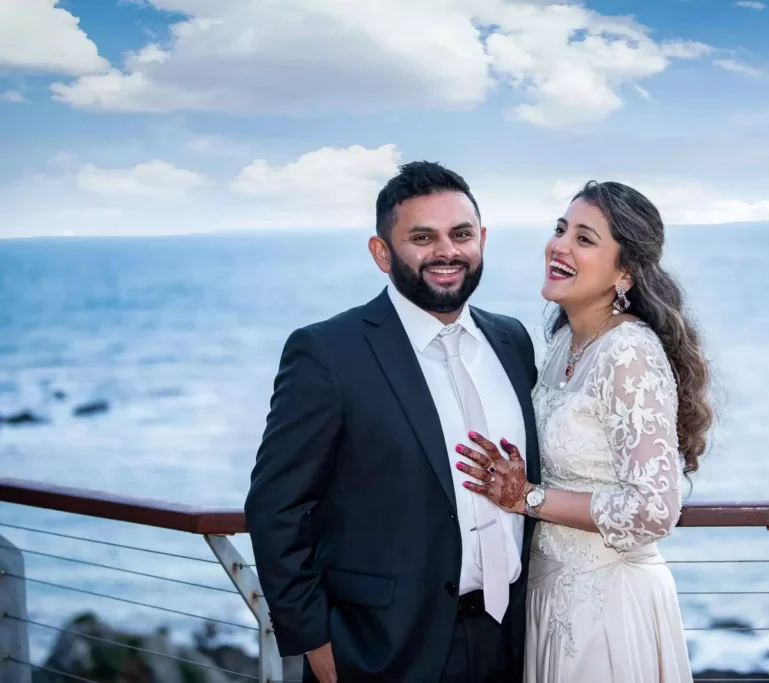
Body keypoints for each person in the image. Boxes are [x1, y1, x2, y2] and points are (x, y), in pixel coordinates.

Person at [244, 161, 541, 683]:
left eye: (461, 234)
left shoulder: (512, 340)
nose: (446, 252)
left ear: (482, 240)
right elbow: (276, 506)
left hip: (510, 641)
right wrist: (314, 640)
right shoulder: (327, 353)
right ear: (382, 252)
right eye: (422, 237)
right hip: (381, 652)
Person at [457, 180, 713, 682]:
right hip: (550, 597)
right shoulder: (562, 346)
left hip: (609, 608)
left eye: (585, 238)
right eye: (560, 229)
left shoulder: (627, 352)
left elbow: (655, 509)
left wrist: (528, 498)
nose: (560, 246)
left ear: (624, 272)